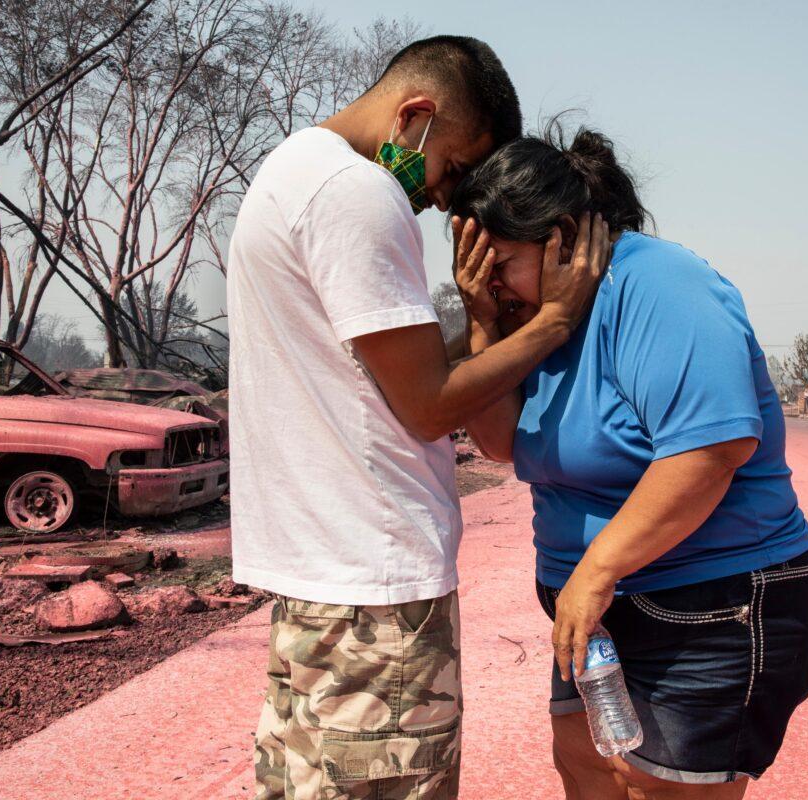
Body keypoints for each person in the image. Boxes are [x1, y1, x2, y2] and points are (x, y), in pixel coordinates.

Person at [227, 38, 609, 799]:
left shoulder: (291, 170)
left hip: (319, 577)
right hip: (376, 584)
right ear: (416, 117)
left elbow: (382, 373)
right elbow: (430, 406)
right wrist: (553, 321)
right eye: (458, 168)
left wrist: (478, 321)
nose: (446, 198)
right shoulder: (356, 193)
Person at [449, 124, 808, 799]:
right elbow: (505, 443)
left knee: (658, 789)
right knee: (588, 768)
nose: (489, 281)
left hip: (712, 601)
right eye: (474, 266)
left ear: (563, 236)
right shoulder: (538, 319)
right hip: (595, 608)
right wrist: (483, 320)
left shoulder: (659, 284)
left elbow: (709, 451)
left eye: (500, 261)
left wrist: (598, 569)